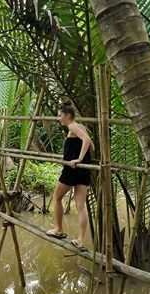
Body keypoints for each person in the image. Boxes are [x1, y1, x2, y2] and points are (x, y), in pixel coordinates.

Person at [45, 100, 95, 251]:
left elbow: (86, 140)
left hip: (72, 169)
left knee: (57, 197)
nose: (58, 118)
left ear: (68, 115)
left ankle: (59, 229)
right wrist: (81, 156)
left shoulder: (72, 126)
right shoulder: (81, 127)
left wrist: (78, 159)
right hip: (84, 170)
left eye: (60, 116)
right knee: (81, 206)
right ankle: (80, 240)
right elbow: (91, 146)